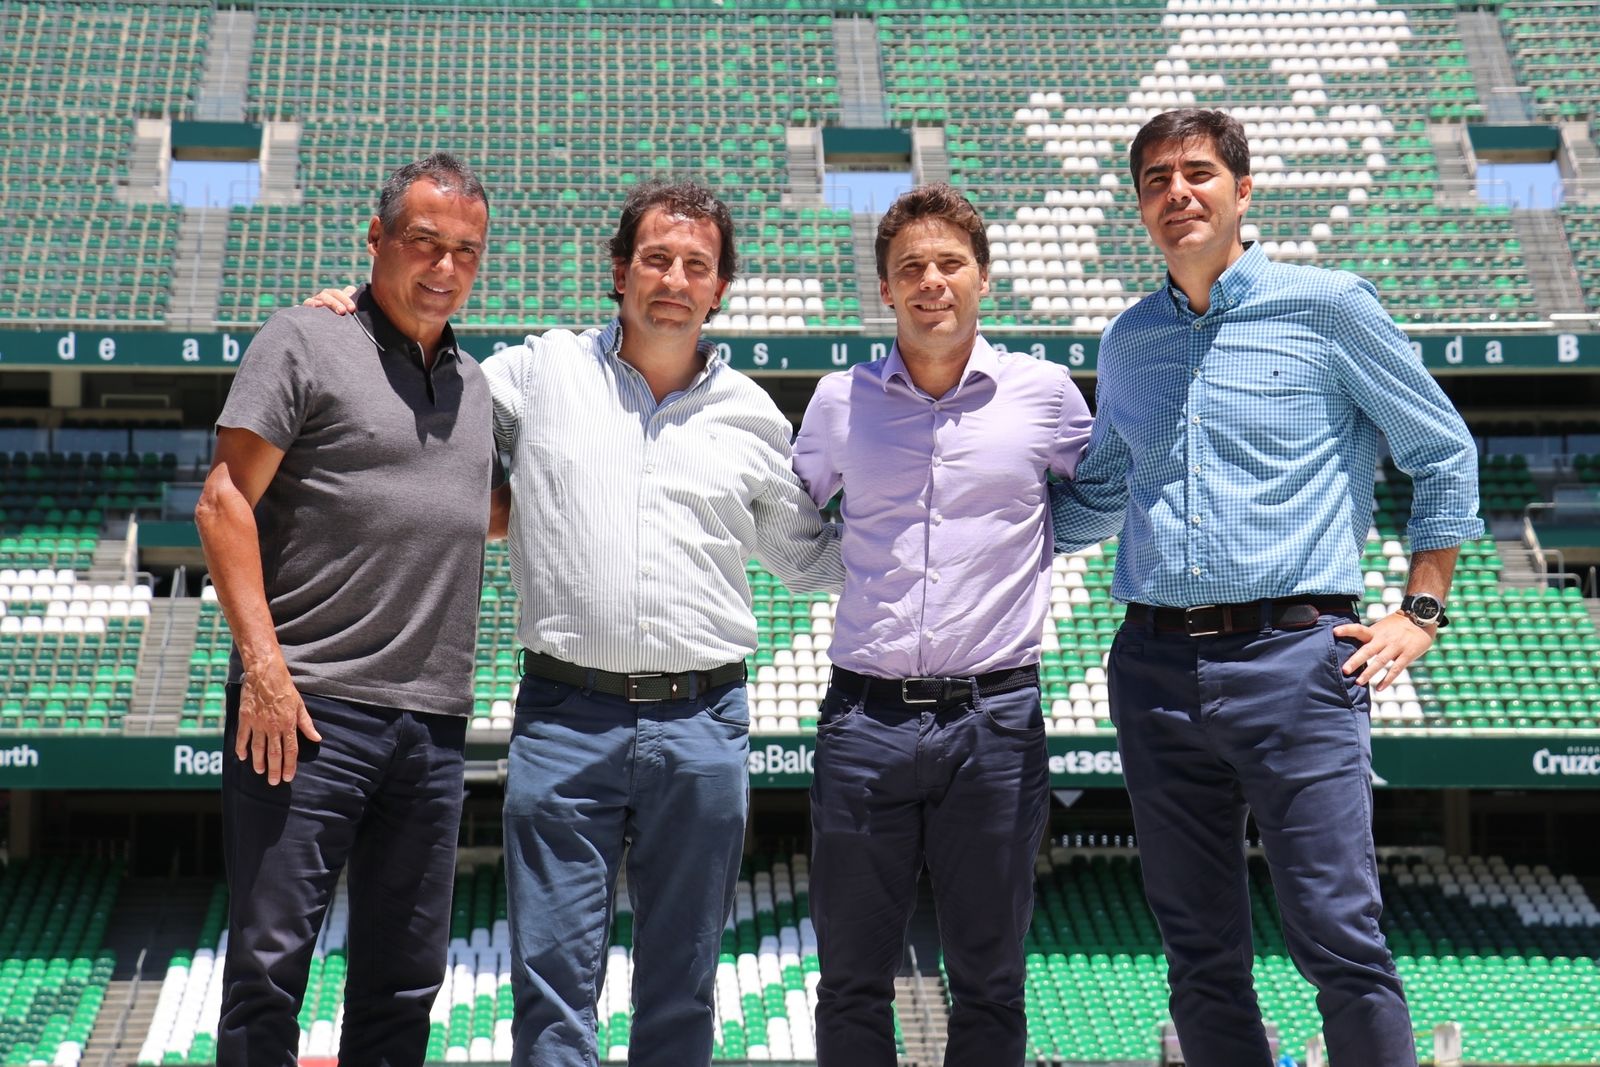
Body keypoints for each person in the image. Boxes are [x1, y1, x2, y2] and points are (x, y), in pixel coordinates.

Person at [307, 178, 843, 1067]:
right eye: (657, 258)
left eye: (696, 265)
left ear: (720, 287)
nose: (674, 277)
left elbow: (813, 561)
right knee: (552, 987)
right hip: (565, 715)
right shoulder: (539, 371)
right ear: (620, 271)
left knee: (683, 981)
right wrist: (356, 322)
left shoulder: (752, 414)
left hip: (703, 721)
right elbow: (424, 389)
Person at [1049, 108, 1482, 1067]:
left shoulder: (1329, 305)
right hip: (1155, 665)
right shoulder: (1126, 345)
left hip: (1297, 659)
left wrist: (1421, 611)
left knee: (1338, 936)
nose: (1177, 192)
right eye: (1156, 179)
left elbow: (1442, 451)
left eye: (1197, 172)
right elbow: (1099, 497)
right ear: (1140, 206)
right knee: (1198, 950)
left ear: (1244, 192)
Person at [196, 153, 502, 1066]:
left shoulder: (477, 387)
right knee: (268, 970)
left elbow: (496, 507)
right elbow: (222, 502)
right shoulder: (303, 338)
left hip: (433, 726)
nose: (443, 268)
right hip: (307, 713)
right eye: (422, 243)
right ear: (375, 241)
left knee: (404, 984)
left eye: (465, 251)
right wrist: (264, 670)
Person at [790, 183, 1093, 1066]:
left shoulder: (1043, 395)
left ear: (983, 278)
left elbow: (1098, 493)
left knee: (992, 978)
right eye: (910, 268)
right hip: (864, 721)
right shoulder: (841, 401)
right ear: (885, 289)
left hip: (994, 721)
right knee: (849, 979)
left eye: (949, 264)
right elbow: (793, 517)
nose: (932, 282)